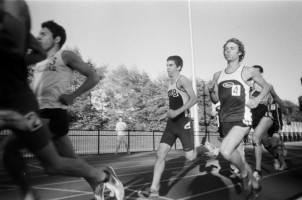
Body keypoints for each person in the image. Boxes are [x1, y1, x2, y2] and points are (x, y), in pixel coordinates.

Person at [0, 5, 124, 200]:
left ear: (56, 39)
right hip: (36, 111)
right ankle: (101, 181)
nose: (39, 36)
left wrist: (74, 95)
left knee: (11, 149)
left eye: (43, 33)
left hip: (51, 113)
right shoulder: (37, 61)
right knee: (67, 161)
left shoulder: (65, 56)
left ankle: (30, 193)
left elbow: (94, 76)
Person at [208, 38, 271, 193]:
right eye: (226, 48)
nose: (228, 51)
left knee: (225, 150)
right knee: (236, 155)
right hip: (224, 120)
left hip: (242, 118)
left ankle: (243, 173)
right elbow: (216, 99)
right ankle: (254, 183)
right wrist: (211, 91)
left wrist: (256, 99)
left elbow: (267, 86)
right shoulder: (217, 75)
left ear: (240, 52)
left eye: (232, 48)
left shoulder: (248, 71)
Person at [138, 55, 199, 198]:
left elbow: (194, 99)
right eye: (167, 65)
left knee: (190, 157)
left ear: (178, 67)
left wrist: (177, 112)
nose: (167, 68)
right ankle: (154, 188)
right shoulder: (170, 83)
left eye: (170, 65)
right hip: (171, 124)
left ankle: (206, 147)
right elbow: (174, 105)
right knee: (160, 154)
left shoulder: (182, 79)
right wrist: (166, 114)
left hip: (183, 122)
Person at [250, 65, 289, 181]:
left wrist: (287, 111)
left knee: (255, 138)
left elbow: (277, 99)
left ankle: (258, 171)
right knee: (268, 145)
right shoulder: (249, 87)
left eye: (256, 71)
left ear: (261, 74)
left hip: (267, 117)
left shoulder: (268, 87)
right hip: (255, 119)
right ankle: (279, 157)